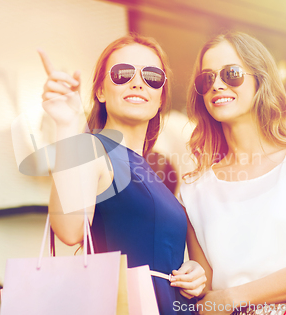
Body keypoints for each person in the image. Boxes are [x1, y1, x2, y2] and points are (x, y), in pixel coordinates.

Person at [39, 33, 206, 315]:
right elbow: (69, 230)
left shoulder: (153, 173)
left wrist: (193, 273)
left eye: (152, 76)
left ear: (160, 98)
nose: (138, 82)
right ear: (101, 92)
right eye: (122, 73)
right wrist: (66, 126)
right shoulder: (94, 150)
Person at [179, 31, 286, 315]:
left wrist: (233, 297)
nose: (217, 85)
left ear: (260, 80)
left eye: (231, 74)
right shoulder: (193, 191)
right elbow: (206, 295)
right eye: (207, 79)